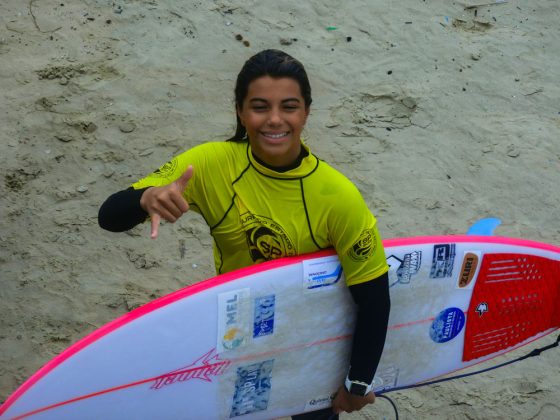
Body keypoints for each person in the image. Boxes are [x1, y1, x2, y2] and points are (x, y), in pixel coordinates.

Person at [98, 49, 390, 419]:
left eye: (288, 106)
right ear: (240, 111)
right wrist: (145, 199)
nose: (274, 120)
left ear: (306, 112)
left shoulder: (338, 196)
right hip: (240, 336)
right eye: (259, 106)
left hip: (314, 344)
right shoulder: (210, 165)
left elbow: (374, 297)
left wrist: (357, 383)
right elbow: (109, 217)